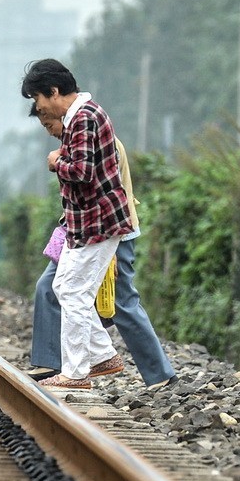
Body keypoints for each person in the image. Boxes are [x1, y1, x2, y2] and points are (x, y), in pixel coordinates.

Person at [27, 103, 177, 391]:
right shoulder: (72, 138)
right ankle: (55, 363)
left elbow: (104, 192)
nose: (49, 131)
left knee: (121, 302)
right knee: (50, 287)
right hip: (77, 232)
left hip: (109, 231)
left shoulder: (96, 138)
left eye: (48, 122)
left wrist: (59, 163)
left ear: (60, 111)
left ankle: (159, 373)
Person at [20, 58, 133, 390]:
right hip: (85, 222)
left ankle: (75, 372)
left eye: (38, 99)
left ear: (53, 92)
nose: (38, 107)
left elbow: (81, 172)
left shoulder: (83, 118)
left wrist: (56, 162)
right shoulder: (82, 116)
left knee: (73, 292)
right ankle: (102, 355)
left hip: (98, 220)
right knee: (63, 288)